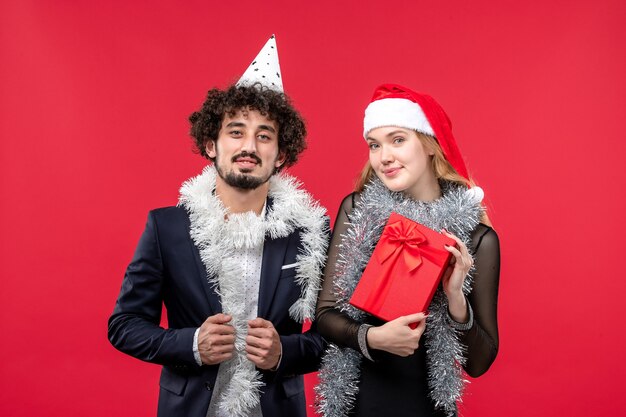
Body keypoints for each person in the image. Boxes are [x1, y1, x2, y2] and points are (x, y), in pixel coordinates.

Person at [108, 36, 329, 417]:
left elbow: (333, 334)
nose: (250, 146)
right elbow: (124, 325)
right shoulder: (167, 228)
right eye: (236, 131)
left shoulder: (311, 231)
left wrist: (283, 353)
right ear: (212, 144)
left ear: (281, 155)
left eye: (265, 135)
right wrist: (191, 344)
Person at [315, 84, 500, 417]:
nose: (384, 156)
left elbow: (479, 363)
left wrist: (456, 297)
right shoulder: (359, 210)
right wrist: (372, 337)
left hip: (427, 408)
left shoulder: (475, 237)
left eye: (397, 140)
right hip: (358, 405)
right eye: (375, 145)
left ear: (429, 145)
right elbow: (325, 315)